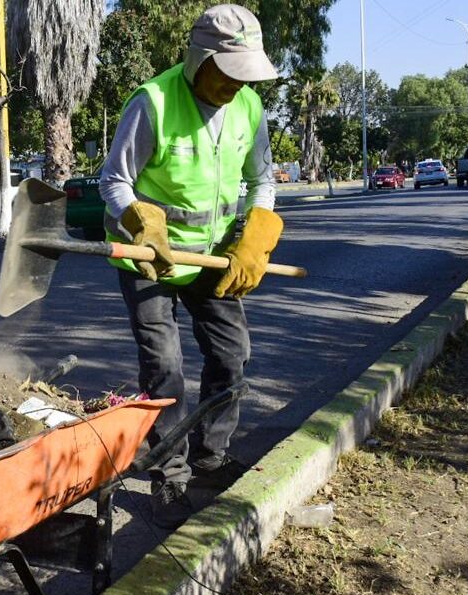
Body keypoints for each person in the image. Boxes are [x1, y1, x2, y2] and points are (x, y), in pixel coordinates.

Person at [99, 4, 283, 528]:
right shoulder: (153, 102)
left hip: (211, 255)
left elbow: (262, 180)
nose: (236, 84)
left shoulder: (248, 107)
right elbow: (114, 180)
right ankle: (170, 474)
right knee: (165, 367)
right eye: (228, 72)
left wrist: (256, 232)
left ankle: (209, 456)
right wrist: (142, 222)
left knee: (232, 354)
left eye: (245, 75)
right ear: (200, 59)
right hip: (148, 257)